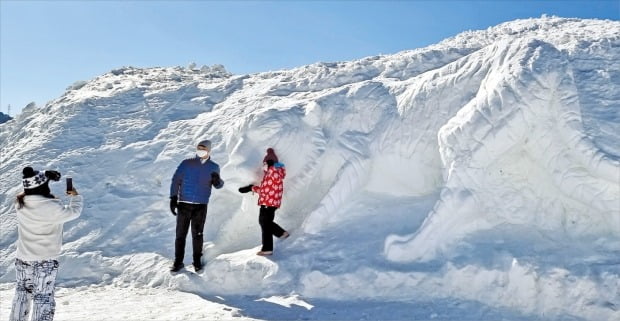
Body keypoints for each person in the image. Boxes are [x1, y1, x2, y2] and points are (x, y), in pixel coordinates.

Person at [11, 167, 83, 321]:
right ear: (44, 187)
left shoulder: (20, 205)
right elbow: (74, 212)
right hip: (45, 260)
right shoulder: (52, 208)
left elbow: (29, 187)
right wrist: (75, 196)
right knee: (43, 297)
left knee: (22, 294)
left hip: (23, 258)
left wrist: (45, 176)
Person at [169, 139, 224, 272]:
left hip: (201, 205)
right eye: (199, 147)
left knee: (197, 235)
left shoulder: (214, 167)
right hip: (184, 204)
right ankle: (178, 262)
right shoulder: (187, 163)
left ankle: (197, 261)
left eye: (203, 148)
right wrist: (173, 197)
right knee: (180, 234)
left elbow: (219, 185)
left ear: (209, 150)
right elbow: (176, 179)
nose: (200, 150)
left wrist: (217, 181)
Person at [239, 148, 289, 256]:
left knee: (265, 223)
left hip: (269, 203)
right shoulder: (269, 175)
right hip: (268, 202)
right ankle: (281, 233)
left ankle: (267, 248)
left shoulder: (275, 172)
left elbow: (276, 174)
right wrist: (251, 188)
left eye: (265, 163)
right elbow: (265, 190)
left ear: (270, 163)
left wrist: (271, 166)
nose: (264, 165)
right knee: (265, 222)